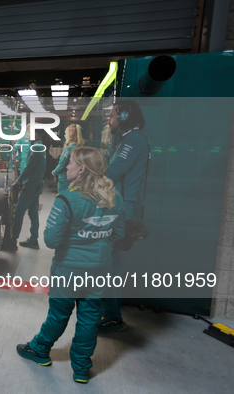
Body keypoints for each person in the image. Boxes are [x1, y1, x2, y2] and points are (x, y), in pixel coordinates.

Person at [16, 147, 125, 384]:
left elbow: (52, 240)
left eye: (71, 163)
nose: (67, 167)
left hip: (69, 269)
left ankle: (39, 350)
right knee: (89, 317)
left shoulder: (67, 198)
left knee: (59, 314)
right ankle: (81, 368)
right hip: (99, 268)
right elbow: (119, 233)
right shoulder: (115, 197)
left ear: (82, 169)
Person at [99, 100, 149, 333]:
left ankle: (111, 316)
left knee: (107, 264)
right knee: (112, 264)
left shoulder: (134, 140)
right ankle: (110, 312)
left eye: (112, 116)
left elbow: (111, 172)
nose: (109, 120)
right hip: (117, 209)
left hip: (119, 212)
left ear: (125, 116)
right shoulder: (128, 139)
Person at [4, 131, 46, 251]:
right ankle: (33, 239)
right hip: (38, 185)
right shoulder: (41, 147)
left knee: (18, 213)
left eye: (29, 133)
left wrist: (18, 181)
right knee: (33, 213)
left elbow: (28, 167)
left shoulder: (35, 148)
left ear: (36, 134)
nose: (27, 136)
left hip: (31, 186)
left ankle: (12, 241)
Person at [52, 123, 84, 192]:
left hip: (65, 180)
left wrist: (54, 173)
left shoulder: (69, 149)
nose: (64, 135)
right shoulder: (79, 147)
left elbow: (62, 164)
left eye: (66, 133)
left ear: (70, 135)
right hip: (76, 180)